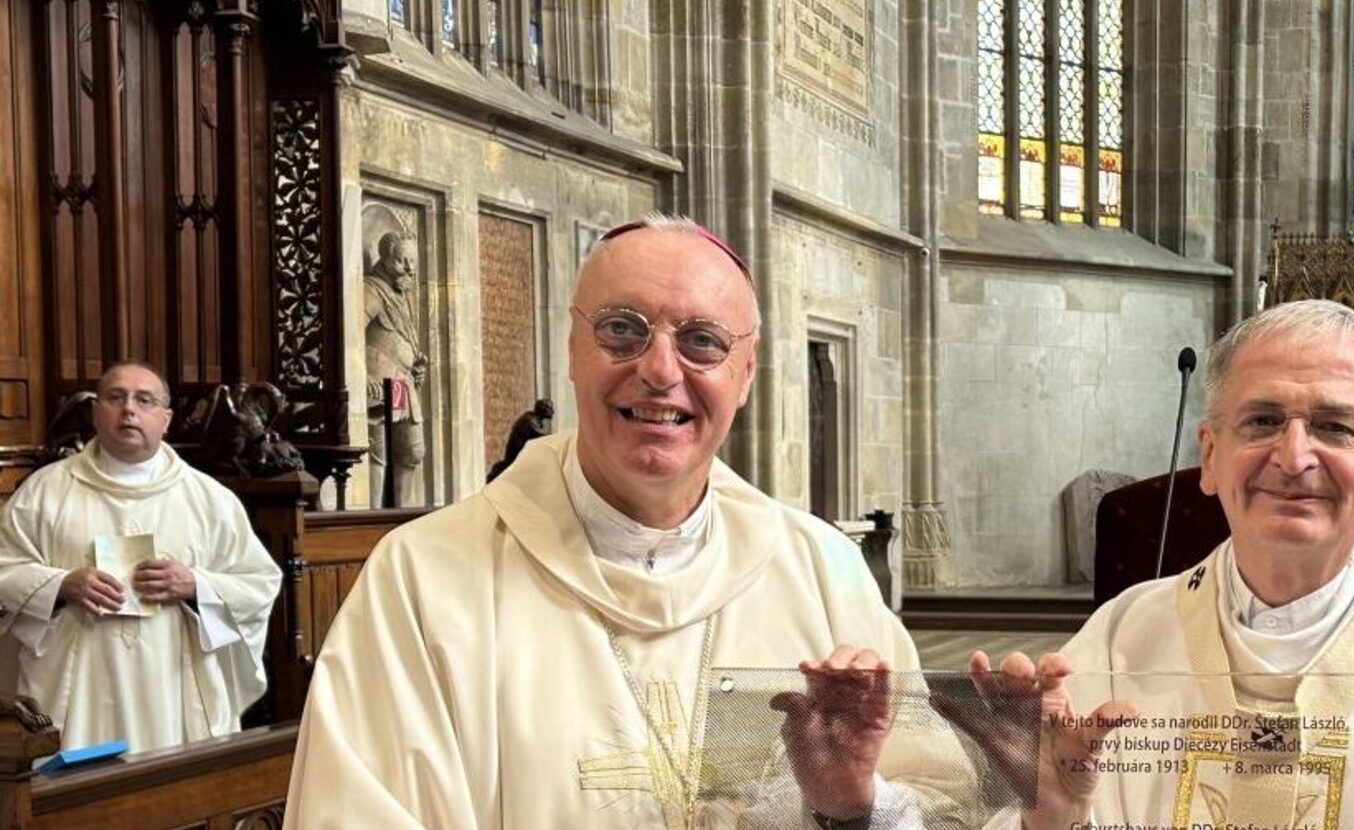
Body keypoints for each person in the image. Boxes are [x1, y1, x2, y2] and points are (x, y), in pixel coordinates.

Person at [287, 215, 963, 828]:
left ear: (746, 373)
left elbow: (942, 806)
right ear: (573, 349)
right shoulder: (425, 581)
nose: (660, 370)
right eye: (621, 330)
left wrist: (853, 809)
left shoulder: (823, 571)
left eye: (702, 342)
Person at [954, 300, 1354, 829]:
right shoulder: (1121, 641)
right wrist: (1051, 818)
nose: (1294, 456)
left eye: (1334, 426)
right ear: (1211, 456)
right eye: (1263, 421)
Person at [0, 362, 282, 753]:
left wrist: (196, 585)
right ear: (95, 412)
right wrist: (59, 585)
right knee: (77, 785)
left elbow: (259, 583)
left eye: (144, 400)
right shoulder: (43, 492)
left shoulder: (209, 500)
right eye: (115, 397)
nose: (129, 409)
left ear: (166, 420)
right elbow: (5, 569)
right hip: (78, 690)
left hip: (174, 690)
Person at [364, 231, 429, 507]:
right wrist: (363, 376)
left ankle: (403, 514)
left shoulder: (400, 295)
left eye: (413, 262)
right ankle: (372, 515)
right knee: (377, 453)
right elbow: (349, 334)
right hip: (380, 385)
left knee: (411, 451)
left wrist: (416, 365)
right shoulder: (371, 289)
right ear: (386, 259)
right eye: (403, 261)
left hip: (401, 384)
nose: (410, 269)